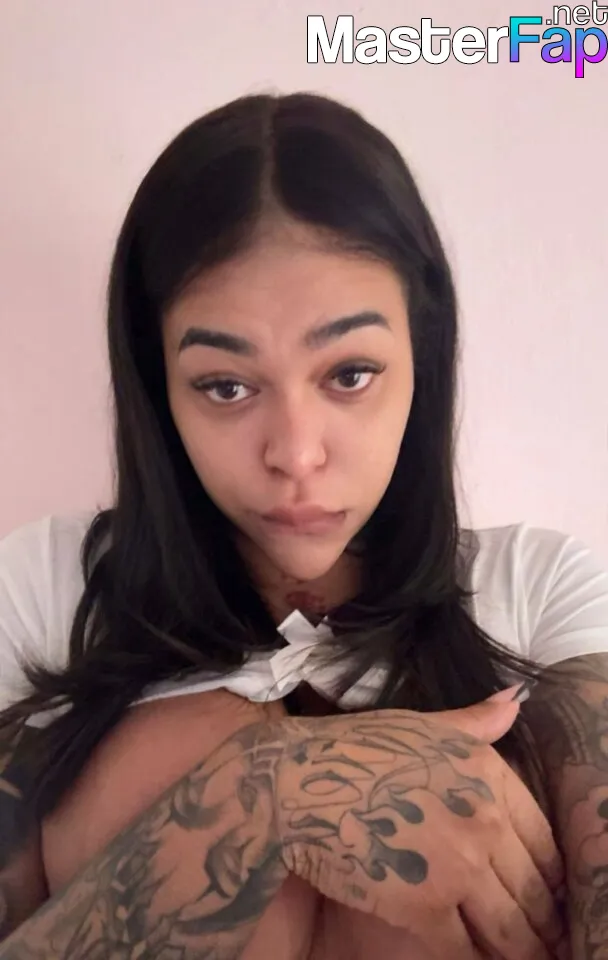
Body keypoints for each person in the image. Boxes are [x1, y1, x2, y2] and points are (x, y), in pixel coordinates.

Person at [0, 91, 607, 960]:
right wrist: (266, 794)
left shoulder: (539, 597)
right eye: (225, 386)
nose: (294, 454)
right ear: (157, 384)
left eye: (350, 374)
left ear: (422, 357)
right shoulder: (43, 593)